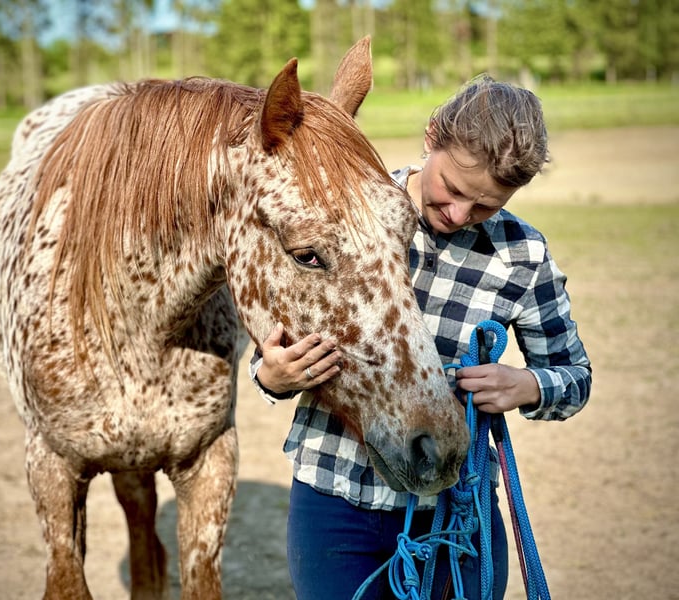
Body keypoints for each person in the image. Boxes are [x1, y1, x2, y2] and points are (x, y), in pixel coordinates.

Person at [249, 74, 592, 600]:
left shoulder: (522, 256)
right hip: (333, 499)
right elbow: (269, 350)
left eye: (485, 206)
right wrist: (272, 377)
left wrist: (526, 386)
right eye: (452, 189)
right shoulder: (339, 217)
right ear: (431, 136)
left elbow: (574, 377)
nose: (459, 215)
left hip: (456, 514)